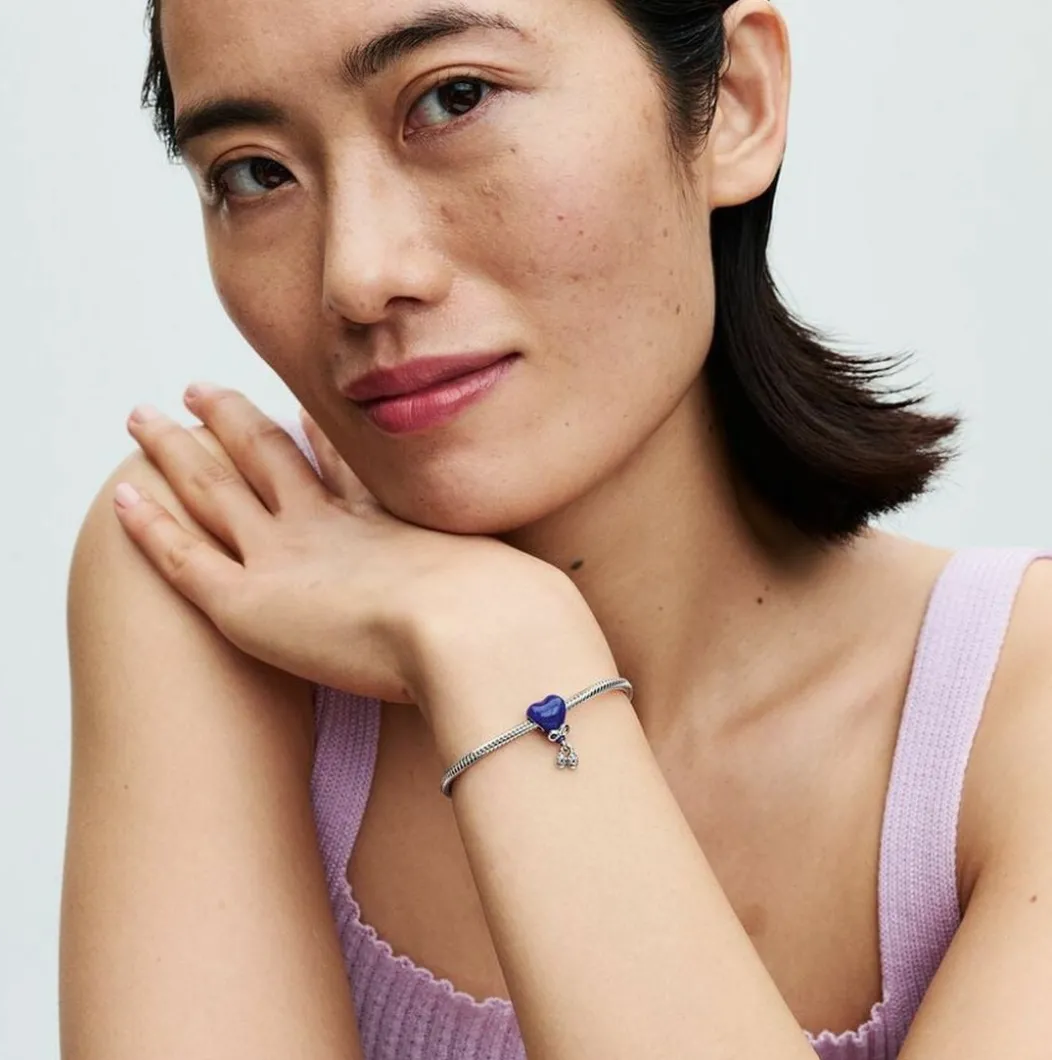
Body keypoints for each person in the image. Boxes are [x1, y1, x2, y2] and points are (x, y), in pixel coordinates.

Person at [59, 0, 1052, 1057]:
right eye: (254, 173)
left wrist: (506, 652)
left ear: (735, 102)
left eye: (454, 98)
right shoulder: (216, 566)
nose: (358, 275)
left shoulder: (1011, 723)